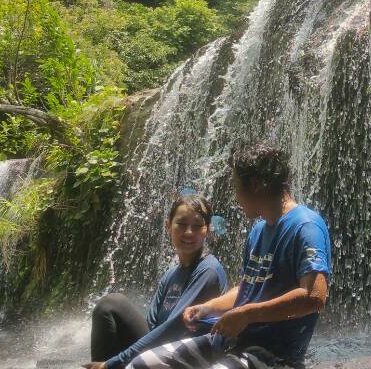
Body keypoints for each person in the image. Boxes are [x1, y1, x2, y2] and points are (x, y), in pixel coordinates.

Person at [119, 143, 332, 369]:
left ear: (256, 186)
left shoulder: (306, 227)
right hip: (229, 342)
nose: (235, 197)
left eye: (236, 186)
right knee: (141, 364)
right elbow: (248, 287)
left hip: (273, 356)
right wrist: (209, 307)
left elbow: (314, 297)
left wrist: (246, 315)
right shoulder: (258, 230)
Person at [85, 194, 229, 369]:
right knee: (109, 307)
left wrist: (112, 364)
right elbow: (152, 326)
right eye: (182, 224)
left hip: (188, 356)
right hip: (161, 352)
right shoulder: (171, 274)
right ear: (168, 225)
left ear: (206, 230)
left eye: (197, 226)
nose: (189, 232)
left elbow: (172, 329)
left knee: (112, 302)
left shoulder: (208, 271)